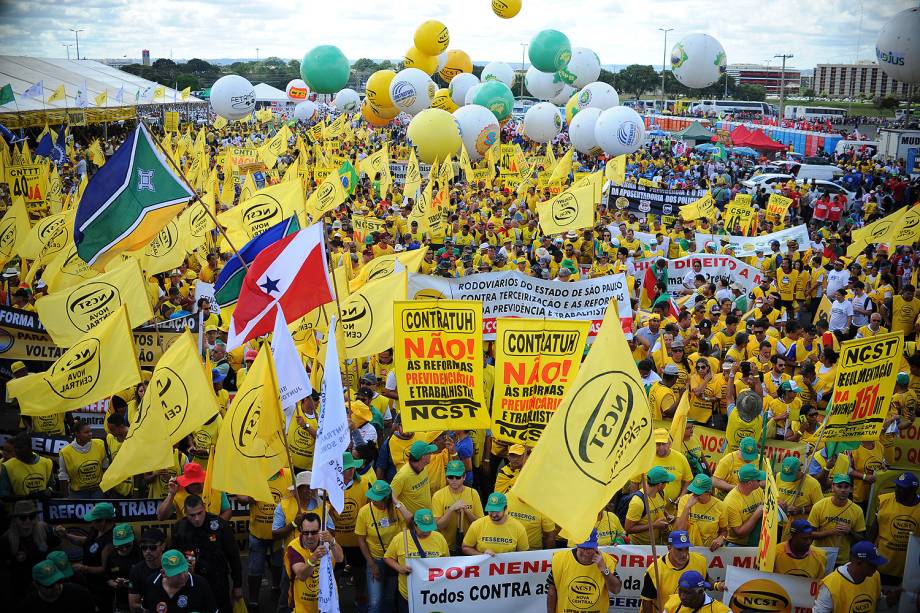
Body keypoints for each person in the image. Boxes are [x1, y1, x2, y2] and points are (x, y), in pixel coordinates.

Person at [169, 494, 243, 613]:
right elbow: (172, 555)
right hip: (191, 581)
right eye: (192, 515)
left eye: (200, 513)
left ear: (204, 508)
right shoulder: (180, 527)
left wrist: (238, 584)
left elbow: (233, 556)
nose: (197, 518)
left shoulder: (219, 524)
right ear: (185, 513)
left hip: (217, 580)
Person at [384, 509, 450, 613]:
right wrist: (399, 568)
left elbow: (447, 563)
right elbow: (388, 557)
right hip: (408, 595)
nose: (427, 532)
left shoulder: (439, 538)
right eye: (423, 529)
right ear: (414, 525)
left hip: (433, 595)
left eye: (429, 528)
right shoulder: (400, 538)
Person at [546, 529, 622, 613]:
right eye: (582, 547)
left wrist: (604, 569)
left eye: (589, 548)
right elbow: (552, 592)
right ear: (577, 545)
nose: (585, 552)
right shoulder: (560, 560)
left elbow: (616, 590)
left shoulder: (606, 561)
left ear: (596, 546)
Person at [284, 511, 345, 613]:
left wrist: (332, 541)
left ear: (320, 530)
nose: (309, 536)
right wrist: (315, 557)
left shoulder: (327, 542)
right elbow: (302, 575)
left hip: (327, 603)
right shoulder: (294, 547)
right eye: (306, 532)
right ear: (300, 530)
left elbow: (340, 558)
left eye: (314, 532)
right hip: (303, 606)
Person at [355, 480, 401, 613]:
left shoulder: (396, 508)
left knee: (389, 599)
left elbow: (410, 522)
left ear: (386, 498)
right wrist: (372, 564)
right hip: (376, 560)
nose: (373, 500)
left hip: (394, 560)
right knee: (375, 602)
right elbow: (361, 540)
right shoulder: (364, 512)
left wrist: (396, 502)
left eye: (377, 498)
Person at [868, 471, 920, 585]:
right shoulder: (884, 500)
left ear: (913, 491)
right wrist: (869, 552)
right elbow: (875, 527)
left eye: (902, 488)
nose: (896, 490)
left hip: (906, 570)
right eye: (897, 486)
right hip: (881, 564)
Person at [640, 530, 709, 613]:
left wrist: (717, 585)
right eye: (679, 549)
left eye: (686, 549)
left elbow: (706, 580)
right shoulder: (655, 570)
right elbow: (647, 600)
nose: (684, 554)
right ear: (669, 547)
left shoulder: (700, 561)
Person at [814, 541, 892, 613]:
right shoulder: (831, 585)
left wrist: (890, 600)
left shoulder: (875, 576)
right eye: (872, 565)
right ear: (859, 562)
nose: (876, 568)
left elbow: (876, 603)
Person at [1, 500, 60, 588]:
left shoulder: (45, 529)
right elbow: (5, 569)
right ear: (15, 519)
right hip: (22, 585)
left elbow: (56, 551)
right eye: (23, 517)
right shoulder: (6, 539)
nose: (28, 520)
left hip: (47, 581)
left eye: (32, 516)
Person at [808, 474, 866, 562]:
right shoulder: (819, 506)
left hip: (841, 560)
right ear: (833, 487)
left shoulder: (857, 510)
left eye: (846, 487)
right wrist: (832, 532)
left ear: (851, 489)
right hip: (819, 556)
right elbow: (810, 534)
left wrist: (850, 532)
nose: (843, 490)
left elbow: (861, 539)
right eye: (839, 486)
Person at [432, 459, 484, 553]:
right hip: (446, 546)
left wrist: (466, 511)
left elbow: (480, 524)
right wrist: (451, 510)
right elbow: (437, 527)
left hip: (469, 545)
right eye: (451, 477)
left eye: (457, 477)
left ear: (464, 477)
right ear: (446, 477)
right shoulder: (438, 496)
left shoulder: (473, 493)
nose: (454, 480)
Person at [142, 549, 218, 613]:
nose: (182, 577)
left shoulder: (200, 584)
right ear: (163, 573)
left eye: (184, 570)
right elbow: (146, 610)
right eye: (176, 574)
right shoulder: (151, 583)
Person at [155, 462, 232, 521]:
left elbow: (227, 511)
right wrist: (171, 494)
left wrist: (215, 525)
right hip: (188, 535)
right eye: (193, 484)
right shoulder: (178, 492)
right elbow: (161, 517)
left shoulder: (215, 488)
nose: (197, 486)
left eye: (199, 482)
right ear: (186, 483)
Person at [461, 492, 529, 555]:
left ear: (505, 509)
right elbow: (466, 547)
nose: (493, 515)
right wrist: (483, 556)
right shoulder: (477, 525)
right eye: (491, 510)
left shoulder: (518, 528)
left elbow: (524, 554)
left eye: (497, 511)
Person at [16, 559, 95, 613]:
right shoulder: (28, 606)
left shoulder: (80, 594)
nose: (57, 587)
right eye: (49, 585)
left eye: (58, 581)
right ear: (36, 585)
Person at [676, 474, 728, 550]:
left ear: (708, 492)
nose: (694, 495)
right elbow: (680, 529)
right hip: (687, 548)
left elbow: (724, 531)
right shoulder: (685, 500)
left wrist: (721, 538)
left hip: (708, 550)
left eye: (698, 493)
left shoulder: (720, 506)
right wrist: (687, 507)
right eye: (693, 491)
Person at [58, 419, 107, 498]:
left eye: (90, 431)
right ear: (77, 434)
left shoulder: (100, 444)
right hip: (78, 493)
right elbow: (63, 476)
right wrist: (65, 498)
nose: (90, 434)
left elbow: (105, 467)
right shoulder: (65, 452)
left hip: (97, 490)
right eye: (86, 432)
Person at [625, 466, 674, 545]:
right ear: (660, 484)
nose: (666, 485)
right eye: (666, 482)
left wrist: (667, 515)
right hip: (640, 546)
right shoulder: (638, 502)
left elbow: (661, 507)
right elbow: (628, 529)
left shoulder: (661, 493)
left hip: (657, 543)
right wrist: (654, 525)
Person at [390, 440, 436, 521]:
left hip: (428, 517)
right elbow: (390, 495)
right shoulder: (402, 476)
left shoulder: (424, 466)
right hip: (414, 522)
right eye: (429, 453)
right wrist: (403, 510)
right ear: (423, 457)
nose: (431, 455)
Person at [0, 431, 54, 497]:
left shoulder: (47, 463)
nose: (17, 451)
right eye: (16, 448)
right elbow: (4, 494)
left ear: (30, 447)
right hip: (19, 506)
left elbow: (51, 486)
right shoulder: (7, 466)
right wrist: (27, 497)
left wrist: (49, 491)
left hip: (42, 505)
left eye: (20, 448)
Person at [127, 527, 167, 613]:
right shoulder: (136, 571)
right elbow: (133, 605)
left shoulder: (171, 566)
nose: (148, 551)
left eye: (152, 547)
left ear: (163, 546)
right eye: (144, 548)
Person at [724, 464, 765, 546]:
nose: (761, 481)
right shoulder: (731, 502)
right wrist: (756, 514)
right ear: (750, 483)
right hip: (738, 544)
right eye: (758, 480)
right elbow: (740, 534)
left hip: (757, 538)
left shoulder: (758, 489)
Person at [775, 456, 823, 522]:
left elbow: (820, 507)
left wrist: (802, 510)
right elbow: (773, 494)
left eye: (791, 476)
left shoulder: (813, 483)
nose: (788, 480)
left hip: (800, 525)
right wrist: (777, 501)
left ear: (800, 470)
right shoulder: (778, 476)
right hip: (780, 520)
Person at [106, 523, 141, 612]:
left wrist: (129, 583)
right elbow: (107, 575)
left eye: (128, 545)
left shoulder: (141, 553)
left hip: (140, 602)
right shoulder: (111, 555)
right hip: (120, 603)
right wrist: (112, 583)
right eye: (120, 547)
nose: (124, 549)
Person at [662, 570, 730, 613]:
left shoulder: (720, 611)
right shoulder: (672, 602)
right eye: (680, 590)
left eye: (688, 593)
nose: (682, 596)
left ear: (701, 592)